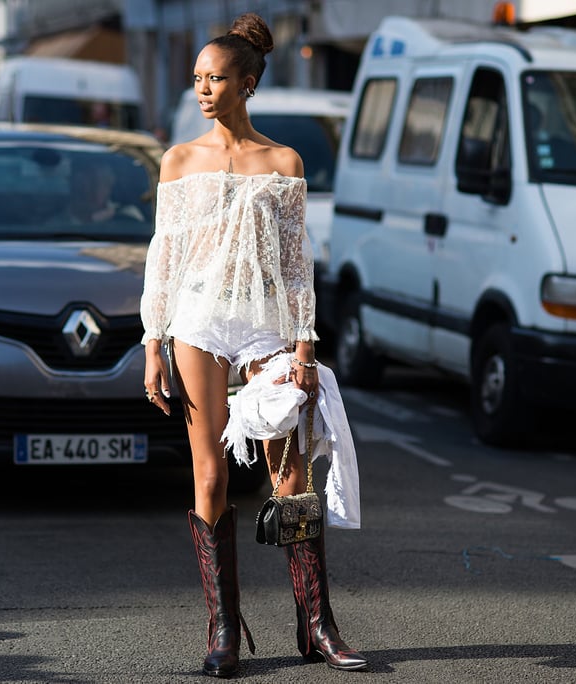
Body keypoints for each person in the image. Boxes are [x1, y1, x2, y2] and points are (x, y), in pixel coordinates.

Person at [140, 13, 367, 678]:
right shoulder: (179, 160)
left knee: (290, 478)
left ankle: (317, 625)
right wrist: (153, 343)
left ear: (247, 83)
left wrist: (303, 350)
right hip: (199, 324)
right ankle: (222, 632)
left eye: (216, 79)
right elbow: (165, 259)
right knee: (209, 475)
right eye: (197, 80)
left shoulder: (283, 162)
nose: (204, 89)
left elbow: (298, 267)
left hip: (268, 328)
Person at [65, 157, 144, 224]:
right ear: (74, 184)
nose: (93, 190)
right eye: (91, 182)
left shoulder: (129, 215)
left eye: (103, 182)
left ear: (111, 185)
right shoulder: (58, 223)